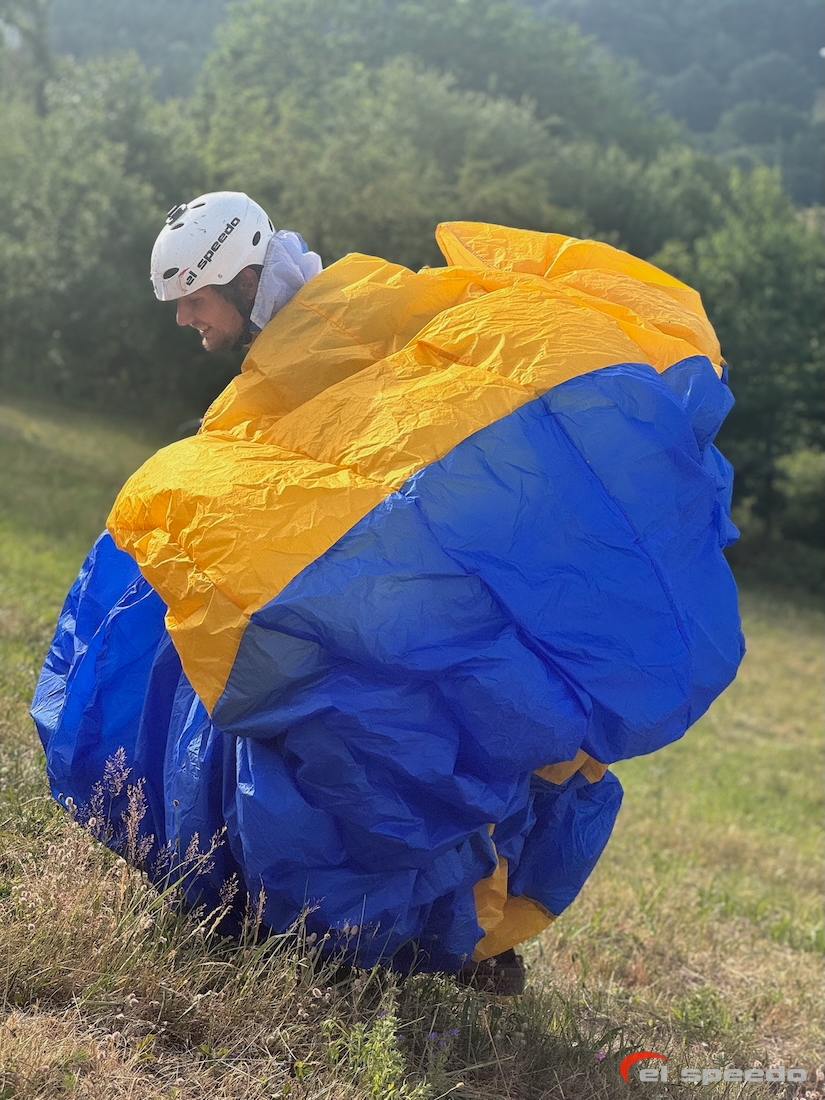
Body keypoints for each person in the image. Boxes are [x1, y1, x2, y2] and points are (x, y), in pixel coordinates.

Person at [33, 200, 744, 998]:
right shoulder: (284, 352)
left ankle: (425, 924)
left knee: (405, 722)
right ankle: (365, 917)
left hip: (411, 585)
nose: (185, 319)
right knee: (334, 701)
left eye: (194, 299)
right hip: (375, 587)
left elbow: (433, 410)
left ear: (242, 278)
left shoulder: (357, 310)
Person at [149, 191, 322, 352]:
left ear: (247, 284)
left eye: (195, 300)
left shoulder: (286, 369)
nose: (181, 319)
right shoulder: (336, 298)